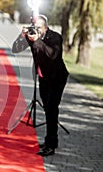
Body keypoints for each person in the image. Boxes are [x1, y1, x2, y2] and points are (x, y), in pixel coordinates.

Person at [12, 14, 69, 156]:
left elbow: (53, 54)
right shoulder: (32, 36)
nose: (35, 30)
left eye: (38, 27)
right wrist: (22, 36)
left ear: (45, 27)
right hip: (43, 78)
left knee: (51, 109)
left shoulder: (55, 37)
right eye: (34, 27)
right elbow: (16, 48)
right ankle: (51, 140)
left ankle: (50, 145)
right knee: (48, 110)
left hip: (57, 77)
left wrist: (37, 41)